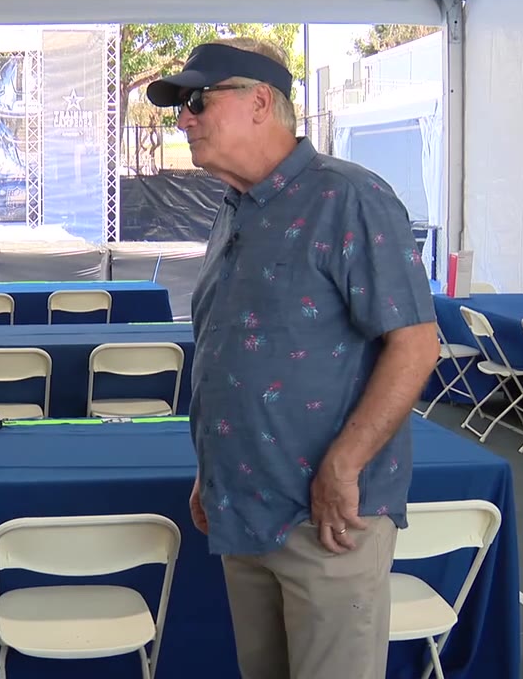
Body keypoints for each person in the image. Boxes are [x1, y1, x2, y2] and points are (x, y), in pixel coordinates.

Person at [146, 38, 440, 679]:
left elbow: (416, 344)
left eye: (198, 100)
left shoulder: (348, 197)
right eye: (180, 107)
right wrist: (212, 468)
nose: (184, 119)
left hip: (327, 519)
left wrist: (344, 464)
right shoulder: (234, 207)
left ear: (260, 102)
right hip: (243, 504)